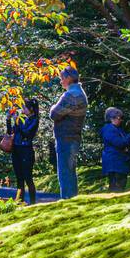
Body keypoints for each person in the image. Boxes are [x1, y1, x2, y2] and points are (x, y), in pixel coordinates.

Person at [49, 66, 88, 199]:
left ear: (68, 78)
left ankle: (67, 200)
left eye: (61, 78)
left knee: (65, 172)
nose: (61, 82)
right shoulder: (78, 92)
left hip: (66, 138)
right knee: (70, 171)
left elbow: (54, 114)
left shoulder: (72, 95)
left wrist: (53, 106)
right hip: (73, 137)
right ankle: (72, 199)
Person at [6, 98, 39, 205]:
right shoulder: (21, 118)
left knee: (28, 178)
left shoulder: (35, 120)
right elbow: (10, 132)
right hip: (16, 150)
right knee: (19, 178)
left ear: (31, 109)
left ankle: (33, 203)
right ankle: (20, 202)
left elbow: (26, 133)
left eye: (25, 107)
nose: (23, 109)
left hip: (26, 151)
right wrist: (8, 120)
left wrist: (18, 122)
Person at [101, 107, 130, 191]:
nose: (121, 120)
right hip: (115, 164)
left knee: (121, 185)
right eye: (119, 118)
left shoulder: (117, 129)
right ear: (112, 118)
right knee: (116, 187)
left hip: (119, 163)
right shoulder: (108, 129)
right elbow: (119, 143)